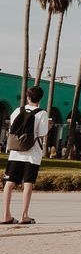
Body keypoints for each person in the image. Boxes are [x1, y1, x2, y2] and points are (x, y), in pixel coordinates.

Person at [3, 86, 49, 225]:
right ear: (40, 98)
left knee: (9, 183)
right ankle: (24, 216)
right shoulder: (42, 113)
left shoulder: (18, 110)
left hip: (16, 152)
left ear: (28, 97)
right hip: (32, 154)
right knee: (28, 183)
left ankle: (6, 215)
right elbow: (42, 133)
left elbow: (12, 128)